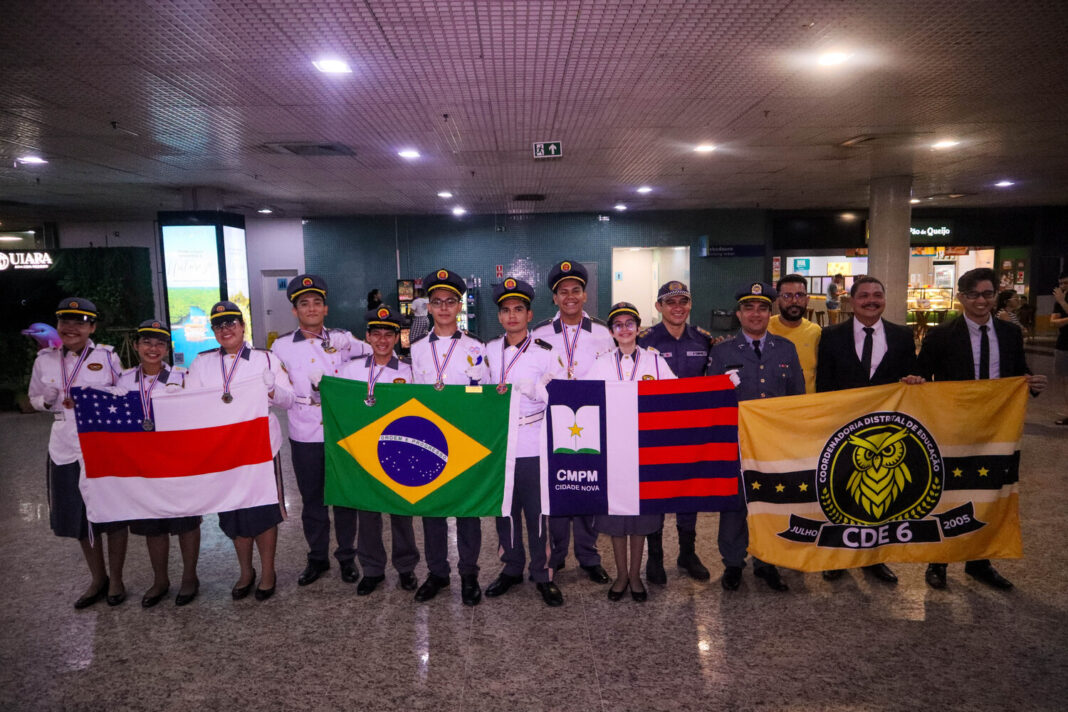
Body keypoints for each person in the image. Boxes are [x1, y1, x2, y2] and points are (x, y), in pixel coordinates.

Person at [918, 268, 1047, 590]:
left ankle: (980, 561)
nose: (981, 300)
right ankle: (939, 561)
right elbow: (921, 376)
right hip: (954, 431)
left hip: (996, 433)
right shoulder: (941, 336)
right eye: (974, 294)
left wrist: (1032, 383)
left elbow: (1018, 371)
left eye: (988, 294)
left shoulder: (1008, 333)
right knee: (949, 496)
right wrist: (914, 382)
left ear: (994, 297)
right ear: (961, 297)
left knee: (989, 494)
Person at [815, 275, 924, 584]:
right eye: (864, 295)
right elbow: (825, 384)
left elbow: (910, 374)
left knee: (883, 499)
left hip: (886, 433)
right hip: (844, 432)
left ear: (885, 299)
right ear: (852, 300)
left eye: (878, 294)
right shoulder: (831, 335)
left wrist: (914, 379)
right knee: (840, 494)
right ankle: (837, 556)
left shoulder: (902, 336)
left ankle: (875, 558)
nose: (871, 300)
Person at [186, 301, 295, 601]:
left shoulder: (266, 359)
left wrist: (273, 389)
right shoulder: (202, 363)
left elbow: (289, 400)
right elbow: (192, 404)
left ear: (243, 326)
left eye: (232, 323)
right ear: (213, 331)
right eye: (219, 325)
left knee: (263, 509)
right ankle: (245, 571)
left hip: (260, 448)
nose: (226, 329)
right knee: (233, 511)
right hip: (223, 450)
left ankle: (268, 571)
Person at [270, 275, 369, 588]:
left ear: (325, 308)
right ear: (295, 311)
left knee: (343, 498)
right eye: (303, 303)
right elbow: (283, 394)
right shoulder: (282, 346)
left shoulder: (341, 338)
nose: (310, 308)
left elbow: (376, 354)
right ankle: (317, 557)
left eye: (316, 302)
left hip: (341, 430)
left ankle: (346, 557)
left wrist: (350, 344)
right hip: (304, 430)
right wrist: (273, 392)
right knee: (312, 499)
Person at [28, 297, 127, 608]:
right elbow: (33, 400)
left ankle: (118, 579)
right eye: (65, 321)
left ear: (92, 327)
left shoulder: (107, 356)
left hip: (101, 442)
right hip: (64, 444)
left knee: (112, 513)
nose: (71, 327)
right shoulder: (45, 359)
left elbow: (122, 395)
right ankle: (98, 578)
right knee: (79, 516)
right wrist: (45, 399)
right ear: (57, 326)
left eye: (79, 321)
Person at [707, 282, 803, 593]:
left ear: (770, 312)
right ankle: (733, 563)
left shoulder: (786, 349)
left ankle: (767, 562)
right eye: (749, 307)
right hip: (736, 442)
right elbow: (713, 401)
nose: (756, 313)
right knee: (734, 504)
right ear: (739, 313)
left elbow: (796, 397)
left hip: (773, 445)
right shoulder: (721, 351)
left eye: (762, 307)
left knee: (770, 503)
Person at [483, 277, 566, 607]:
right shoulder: (489, 351)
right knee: (505, 510)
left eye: (519, 309)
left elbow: (560, 398)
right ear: (500, 317)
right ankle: (511, 567)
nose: (512, 316)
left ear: (530, 315)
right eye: (506, 311)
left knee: (538, 511)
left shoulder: (547, 351)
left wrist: (537, 392)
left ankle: (543, 572)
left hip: (533, 438)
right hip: (502, 441)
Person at [409, 268, 488, 605]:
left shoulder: (476, 346)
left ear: (460, 306)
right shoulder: (415, 350)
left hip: (464, 439)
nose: (443, 307)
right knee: (433, 510)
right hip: (430, 440)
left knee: (468, 511)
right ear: (428, 307)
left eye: (450, 301)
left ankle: (469, 573)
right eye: (437, 301)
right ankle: (438, 573)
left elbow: (483, 395)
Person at [531, 260, 613, 585]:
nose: (569, 297)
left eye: (575, 291)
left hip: (590, 424)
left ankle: (589, 555)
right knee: (558, 488)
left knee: (587, 486)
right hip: (551, 424)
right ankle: (558, 553)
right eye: (562, 292)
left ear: (585, 294)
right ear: (554, 298)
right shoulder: (539, 334)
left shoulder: (603, 333)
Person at [588, 302, 675, 602]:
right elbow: (583, 400)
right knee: (616, 518)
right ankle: (621, 574)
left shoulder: (655, 363)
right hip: (612, 453)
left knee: (640, 517)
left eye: (629, 324)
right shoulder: (600, 364)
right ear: (612, 332)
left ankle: (636, 575)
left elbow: (676, 397)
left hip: (644, 450)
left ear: (639, 329)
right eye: (618, 325)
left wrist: (719, 387)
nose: (624, 329)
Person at [337, 305, 421, 596]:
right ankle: (372, 569)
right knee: (368, 514)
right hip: (363, 452)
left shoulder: (410, 373)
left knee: (401, 513)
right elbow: (341, 407)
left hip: (398, 452)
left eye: (389, 334)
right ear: (368, 336)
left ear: (397, 338)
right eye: (377, 334)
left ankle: (406, 568)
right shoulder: (351, 370)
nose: (382, 340)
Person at [119, 319, 203, 608]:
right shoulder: (124, 380)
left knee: (185, 520)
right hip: (143, 464)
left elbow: (197, 416)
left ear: (167, 349)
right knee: (152, 522)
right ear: (136, 345)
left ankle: (190, 577)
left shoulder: (182, 377)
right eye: (147, 342)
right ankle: (160, 579)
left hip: (177, 461)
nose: (153, 348)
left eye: (159, 343)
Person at [635, 280, 714, 584]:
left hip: (692, 430)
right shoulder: (645, 341)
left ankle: (687, 552)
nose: (677, 308)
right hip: (656, 430)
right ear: (659, 307)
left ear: (690, 305)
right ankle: (655, 556)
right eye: (670, 303)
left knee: (689, 491)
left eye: (683, 302)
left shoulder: (704, 340)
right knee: (657, 492)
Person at [768, 274, 822, 394]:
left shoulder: (816, 332)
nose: (794, 301)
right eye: (787, 296)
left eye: (800, 295)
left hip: (808, 407)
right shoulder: (764, 329)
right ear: (777, 300)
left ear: (807, 300)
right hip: (774, 406)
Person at [1050, 272, 1068, 425]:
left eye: (1066, 283)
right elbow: (1053, 322)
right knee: (1064, 380)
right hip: (1063, 342)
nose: (1063, 287)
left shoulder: (1060, 300)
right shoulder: (1058, 300)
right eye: (1061, 284)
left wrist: (1063, 303)